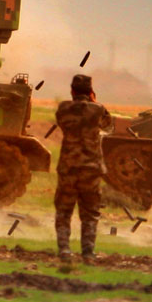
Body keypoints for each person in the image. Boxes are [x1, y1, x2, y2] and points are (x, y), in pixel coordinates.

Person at [54, 74, 113, 264]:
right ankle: (88, 253)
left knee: (64, 212)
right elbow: (108, 126)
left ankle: (64, 250)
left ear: (72, 91)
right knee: (90, 213)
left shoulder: (63, 108)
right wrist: (94, 103)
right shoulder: (98, 110)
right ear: (91, 92)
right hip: (91, 170)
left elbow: (61, 122)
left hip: (68, 168)